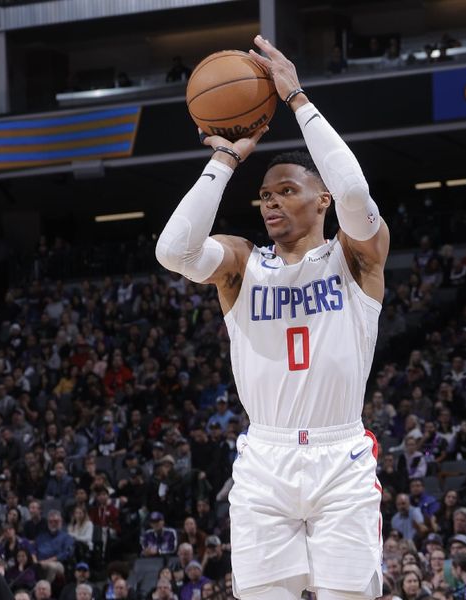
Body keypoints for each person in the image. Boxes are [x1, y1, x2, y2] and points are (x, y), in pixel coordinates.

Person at [155, 34, 389, 600]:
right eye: (265, 195)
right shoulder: (241, 262)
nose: (272, 202)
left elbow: (356, 189)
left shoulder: (354, 256)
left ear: (322, 200)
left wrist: (298, 100)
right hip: (266, 457)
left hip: (341, 455)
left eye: (287, 190)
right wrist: (225, 158)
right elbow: (174, 252)